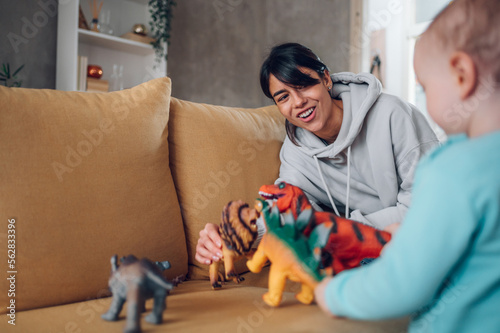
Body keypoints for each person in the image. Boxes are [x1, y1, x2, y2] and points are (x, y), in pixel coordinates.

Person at [314, 0, 500, 332]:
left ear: (462, 74)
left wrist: (335, 293)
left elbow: (404, 284)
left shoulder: (451, 170)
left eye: (424, 87)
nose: (423, 98)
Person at [195, 43, 439, 266]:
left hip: (427, 240)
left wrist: (342, 231)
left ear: (325, 78)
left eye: (303, 85)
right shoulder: (295, 153)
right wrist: (235, 235)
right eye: (283, 97)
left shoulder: (392, 115)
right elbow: (289, 214)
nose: (298, 101)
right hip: (365, 252)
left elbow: (429, 206)